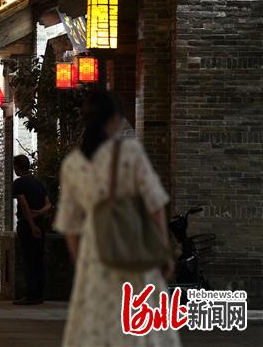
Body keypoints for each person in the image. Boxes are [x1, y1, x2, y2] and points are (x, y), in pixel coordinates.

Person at [55, 91, 179, 347]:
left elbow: (70, 225)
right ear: (113, 119)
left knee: (96, 328)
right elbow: (155, 205)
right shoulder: (130, 152)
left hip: (95, 253)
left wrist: (82, 263)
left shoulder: (72, 165)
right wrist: (164, 251)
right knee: (139, 320)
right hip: (133, 247)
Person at [12, 154, 51, 305]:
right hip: (41, 224)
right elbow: (48, 204)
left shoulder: (19, 183)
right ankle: (39, 294)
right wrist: (39, 213)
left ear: (17, 167)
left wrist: (32, 224)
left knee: (28, 260)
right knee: (38, 259)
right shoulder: (39, 182)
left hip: (27, 225)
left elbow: (23, 204)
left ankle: (31, 295)